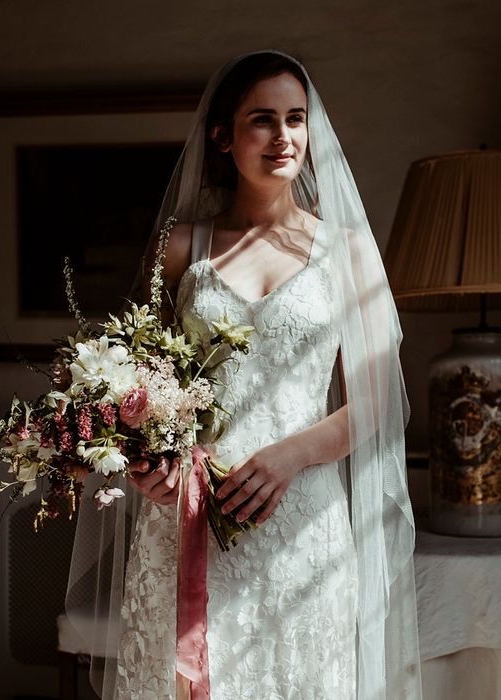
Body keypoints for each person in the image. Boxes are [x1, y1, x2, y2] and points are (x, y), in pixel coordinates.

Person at [66, 51, 422, 700]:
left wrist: (290, 456)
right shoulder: (180, 249)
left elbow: (380, 401)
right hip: (185, 521)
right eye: (263, 120)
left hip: (301, 525)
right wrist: (149, 464)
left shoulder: (347, 252)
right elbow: (138, 384)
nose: (284, 136)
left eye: (296, 118)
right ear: (223, 136)